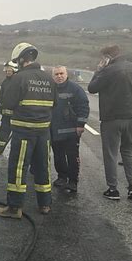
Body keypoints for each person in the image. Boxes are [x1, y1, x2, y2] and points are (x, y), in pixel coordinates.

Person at [0, 42, 57, 218]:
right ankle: (45, 204)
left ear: (21, 60)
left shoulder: (18, 78)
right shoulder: (48, 78)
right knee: (43, 167)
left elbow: (7, 103)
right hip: (44, 132)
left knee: (18, 168)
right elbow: (55, 104)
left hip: (23, 131)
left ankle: (14, 208)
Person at [88, 45, 132, 200]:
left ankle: (113, 189)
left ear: (107, 57)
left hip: (112, 118)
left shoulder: (108, 70)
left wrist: (99, 70)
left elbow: (92, 88)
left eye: (103, 57)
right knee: (129, 151)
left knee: (111, 153)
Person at [50, 65, 90, 193]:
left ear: (66, 74)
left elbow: (83, 106)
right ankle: (62, 177)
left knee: (72, 156)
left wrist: (80, 125)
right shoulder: (50, 89)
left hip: (71, 131)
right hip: (54, 130)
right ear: (53, 76)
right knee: (58, 155)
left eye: (61, 73)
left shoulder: (75, 89)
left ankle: (73, 181)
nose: (59, 76)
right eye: (56, 74)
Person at [0, 61, 19, 155]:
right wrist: (0, 106)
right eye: (6, 70)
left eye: (10, 70)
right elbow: (1, 96)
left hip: (16, 115)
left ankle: (16, 153)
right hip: (6, 115)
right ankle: (0, 148)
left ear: (14, 70)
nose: (8, 72)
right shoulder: (5, 82)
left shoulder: (18, 81)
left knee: (17, 135)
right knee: (3, 133)